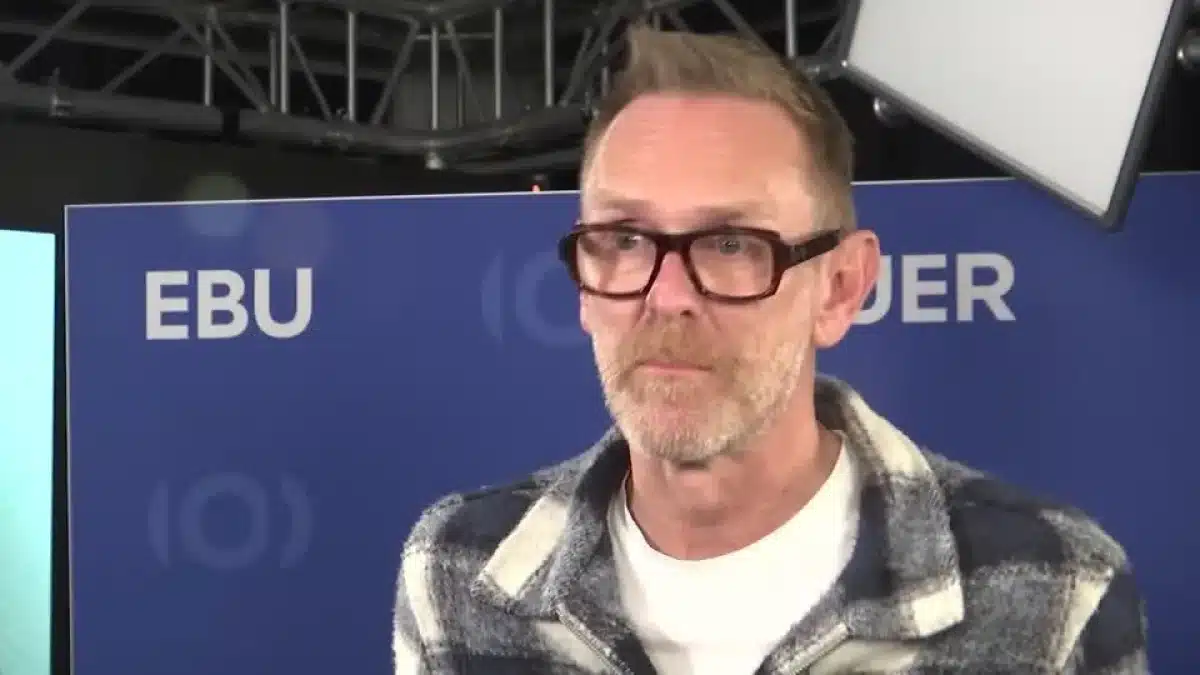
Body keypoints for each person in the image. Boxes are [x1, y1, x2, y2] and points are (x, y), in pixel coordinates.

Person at [393, 25, 1146, 675]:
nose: (668, 295)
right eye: (624, 239)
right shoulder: (459, 574)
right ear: (584, 285)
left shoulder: (1054, 590)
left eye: (730, 243)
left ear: (841, 288)